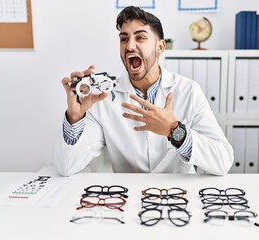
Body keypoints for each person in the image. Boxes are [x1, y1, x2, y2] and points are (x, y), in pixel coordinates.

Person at [55, 6, 234, 176]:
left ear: (160, 47)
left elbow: (223, 160)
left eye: (140, 38)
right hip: (126, 199)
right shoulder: (102, 98)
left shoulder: (189, 91)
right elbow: (67, 167)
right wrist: (75, 117)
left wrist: (175, 131)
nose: (130, 46)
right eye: (124, 39)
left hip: (178, 198)